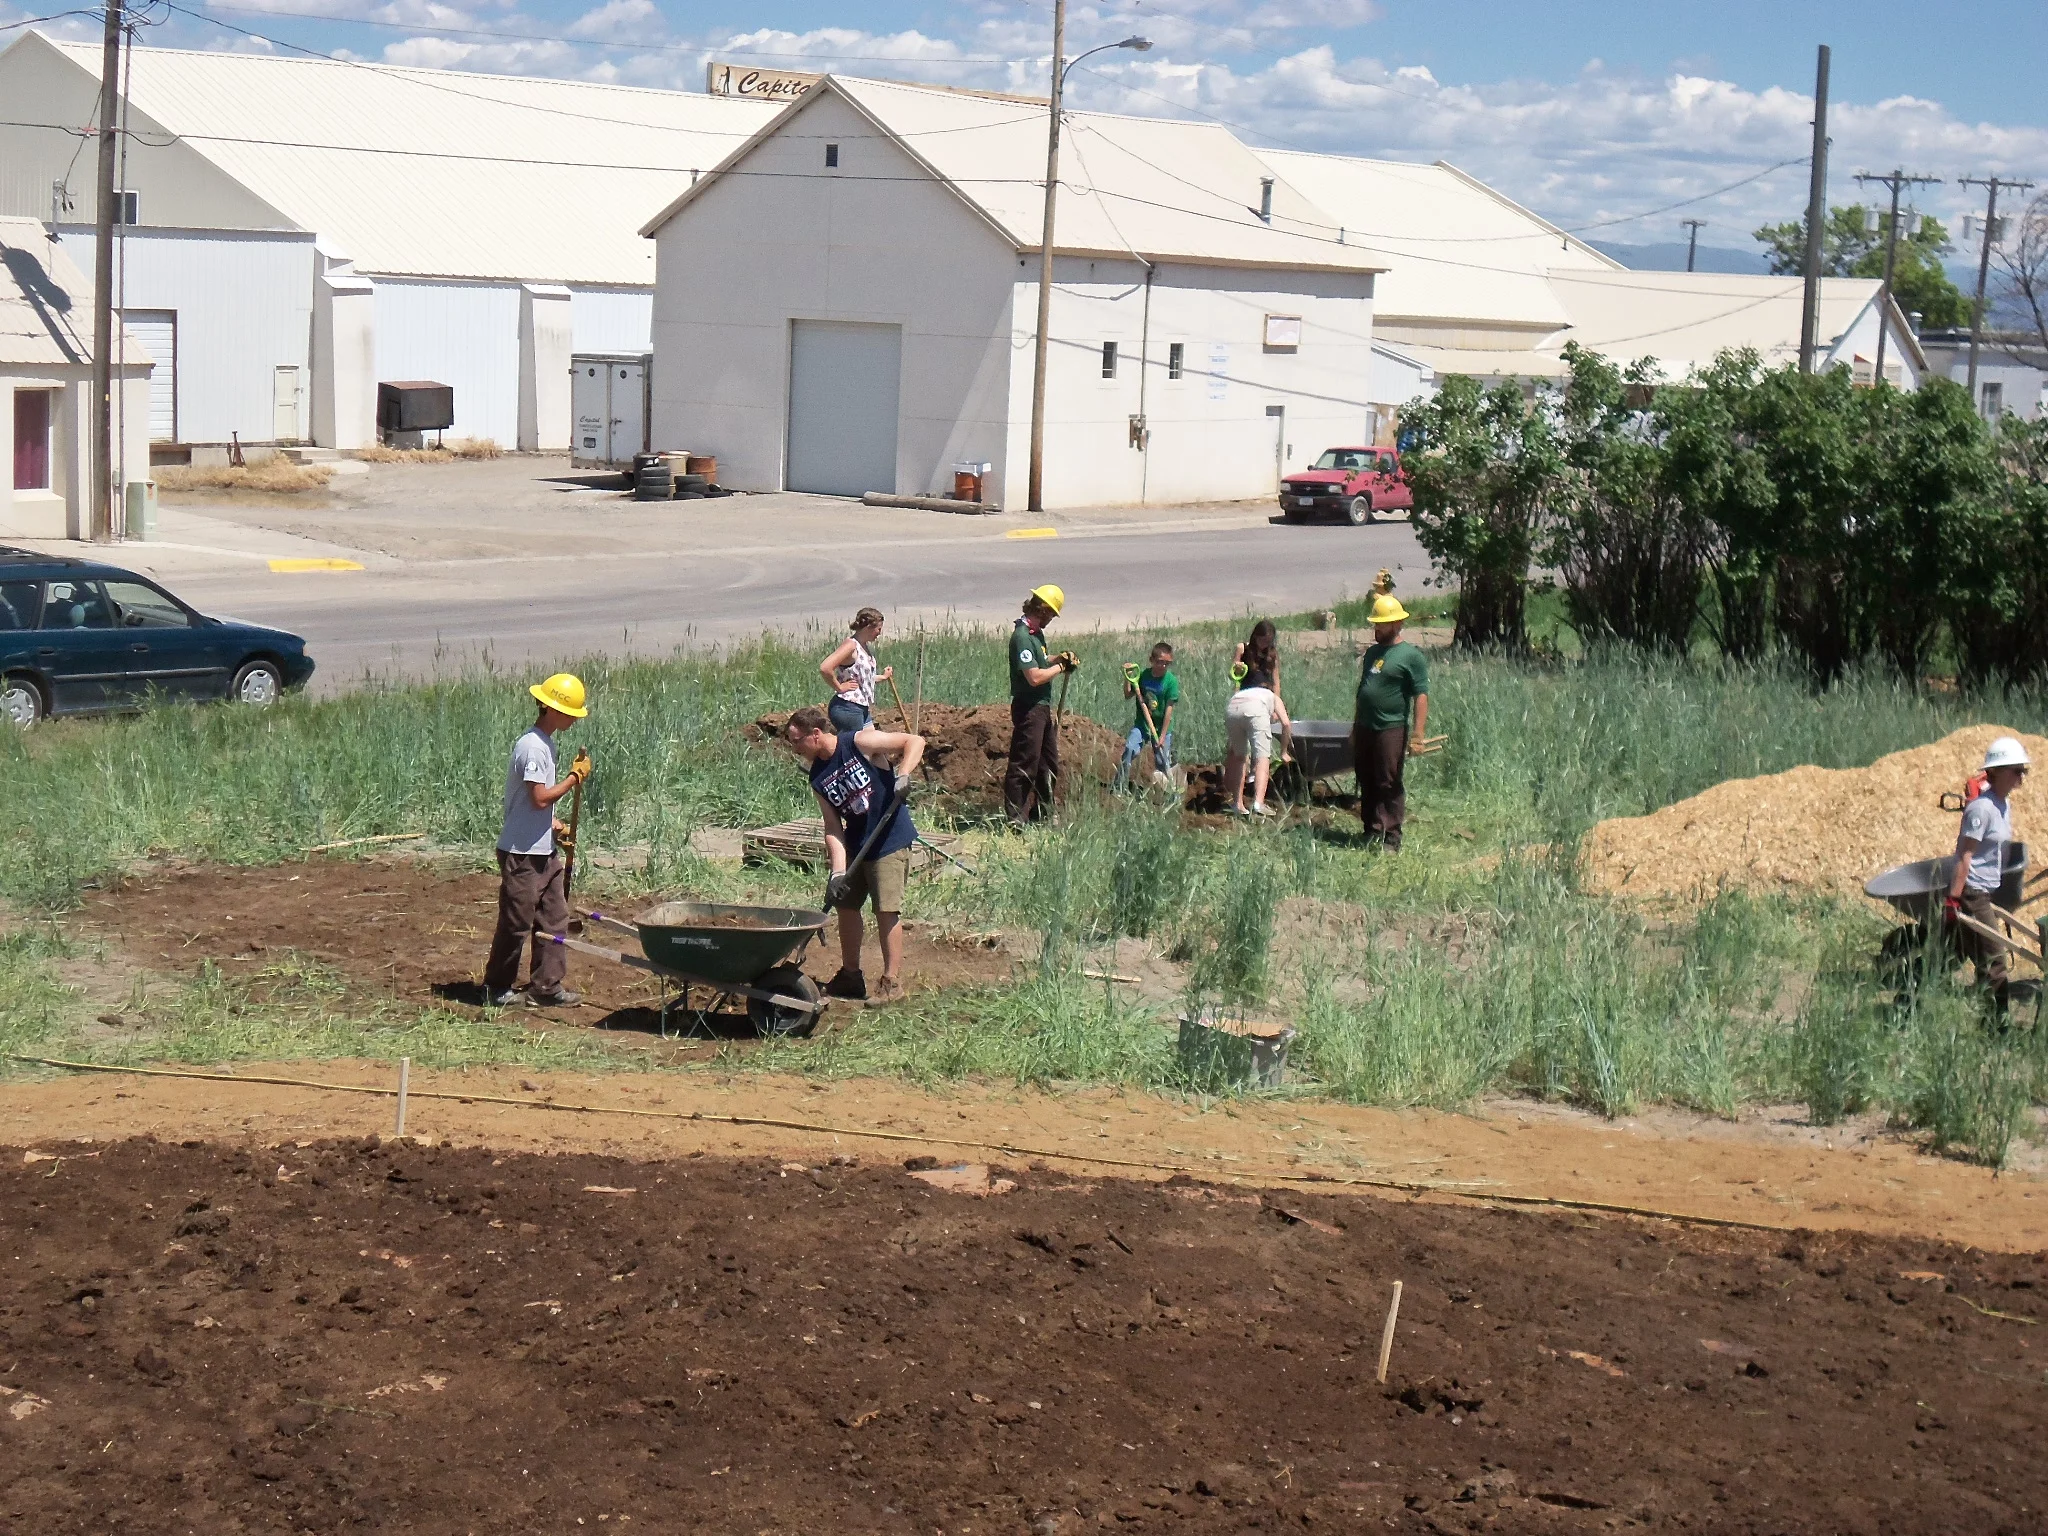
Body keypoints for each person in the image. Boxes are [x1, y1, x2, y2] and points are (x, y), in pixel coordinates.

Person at [783, 705, 927, 1007]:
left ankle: (891, 983)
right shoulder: (817, 776)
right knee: (846, 905)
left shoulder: (859, 742)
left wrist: (903, 775)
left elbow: (914, 741)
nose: (795, 748)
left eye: (797, 741)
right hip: (857, 844)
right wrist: (838, 872)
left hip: (889, 838)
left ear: (816, 734)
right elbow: (833, 827)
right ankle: (851, 976)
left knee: (886, 910)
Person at [484, 672, 592, 1008]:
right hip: (522, 853)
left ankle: (546, 986)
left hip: (543, 850)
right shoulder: (532, 747)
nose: (574, 719)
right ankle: (496, 988)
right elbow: (540, 798)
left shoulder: (546, 743)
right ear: (552, 709)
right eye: (570, 713)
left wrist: (554, 827)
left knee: (555, 918)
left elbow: (534, 805)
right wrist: (574, 778)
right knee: (516, 923)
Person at [1946, 735, 2030, 1007]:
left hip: (1986, 890)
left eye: (2024, 771)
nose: (2021, 777)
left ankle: (1920, 989)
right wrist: (1953, 899)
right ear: (1997, 771)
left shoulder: (2003, 805)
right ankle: (1996, 1023)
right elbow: (1964, 854)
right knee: (1995, 962)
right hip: (1972, 892)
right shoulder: (1981, 809)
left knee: (1958, 951)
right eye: (2016, 771)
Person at [1352, 593, 1430, 850]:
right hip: (1365, 725)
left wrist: (1418, 734)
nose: (1376, 628)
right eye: (1375, 624)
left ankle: (1391, 837)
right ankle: (1371, 829)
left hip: (1391, 726)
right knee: (1366, 776)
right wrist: (1355, 727)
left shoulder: (1410, 656)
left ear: (1397, 624)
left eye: (1381, 624)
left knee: (1388, 780)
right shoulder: (1372, 653)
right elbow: (1363, 690)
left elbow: (1421, 695)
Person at [1004, 584, 1077, 828]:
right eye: (1051, 615)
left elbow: (1042, 661)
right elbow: (1034, 677)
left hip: (1042, 707)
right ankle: (1016, 817)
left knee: (1048, 763)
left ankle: (1044, 812)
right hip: (1029, 707)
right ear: (1043, 610)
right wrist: (1060, 668)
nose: (1051, 620)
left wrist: (1060, 658)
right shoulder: (1022, 637)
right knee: (1026, 762)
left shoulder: (1035, 635)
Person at [1222, 619, 1292, 817]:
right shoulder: (1243, 648)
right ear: (1255, 636)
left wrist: (1275, 706)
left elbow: (1276, 681)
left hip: (1264, 701)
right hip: (1246, 698)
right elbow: (1234, 675)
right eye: (1262, 639)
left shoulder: (1272, 654)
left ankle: (1244, 790)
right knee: (1253, 754)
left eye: (1269, 640)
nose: (1265, 644)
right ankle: (1253, 801)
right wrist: (1284, 751)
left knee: (1253, 750)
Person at [1117, 640, 1180, 788]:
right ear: (1151, 660)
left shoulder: (1171, 681)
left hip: (1162, 727)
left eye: (1167, 663)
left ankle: (1168, 791)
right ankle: (1118, 785)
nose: (1163, 666)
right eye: (1160, 662)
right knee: (1130, 749)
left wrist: (1162, 736)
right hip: (1142, 724)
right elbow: (1128, 695)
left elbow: (1169, 711)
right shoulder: (1144, 676)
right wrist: (1127, 678)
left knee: (1162, 761)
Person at [819, 606, 892, 733]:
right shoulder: (851, 645)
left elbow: (862, 678)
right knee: (856, 744)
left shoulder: (864, 646)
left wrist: (884, 677)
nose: (879, 633)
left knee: (871, 743)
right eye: (878, 629)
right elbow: (825, 668)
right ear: (868, 627)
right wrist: (839, 687)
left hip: (861, 706)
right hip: (848, 707)